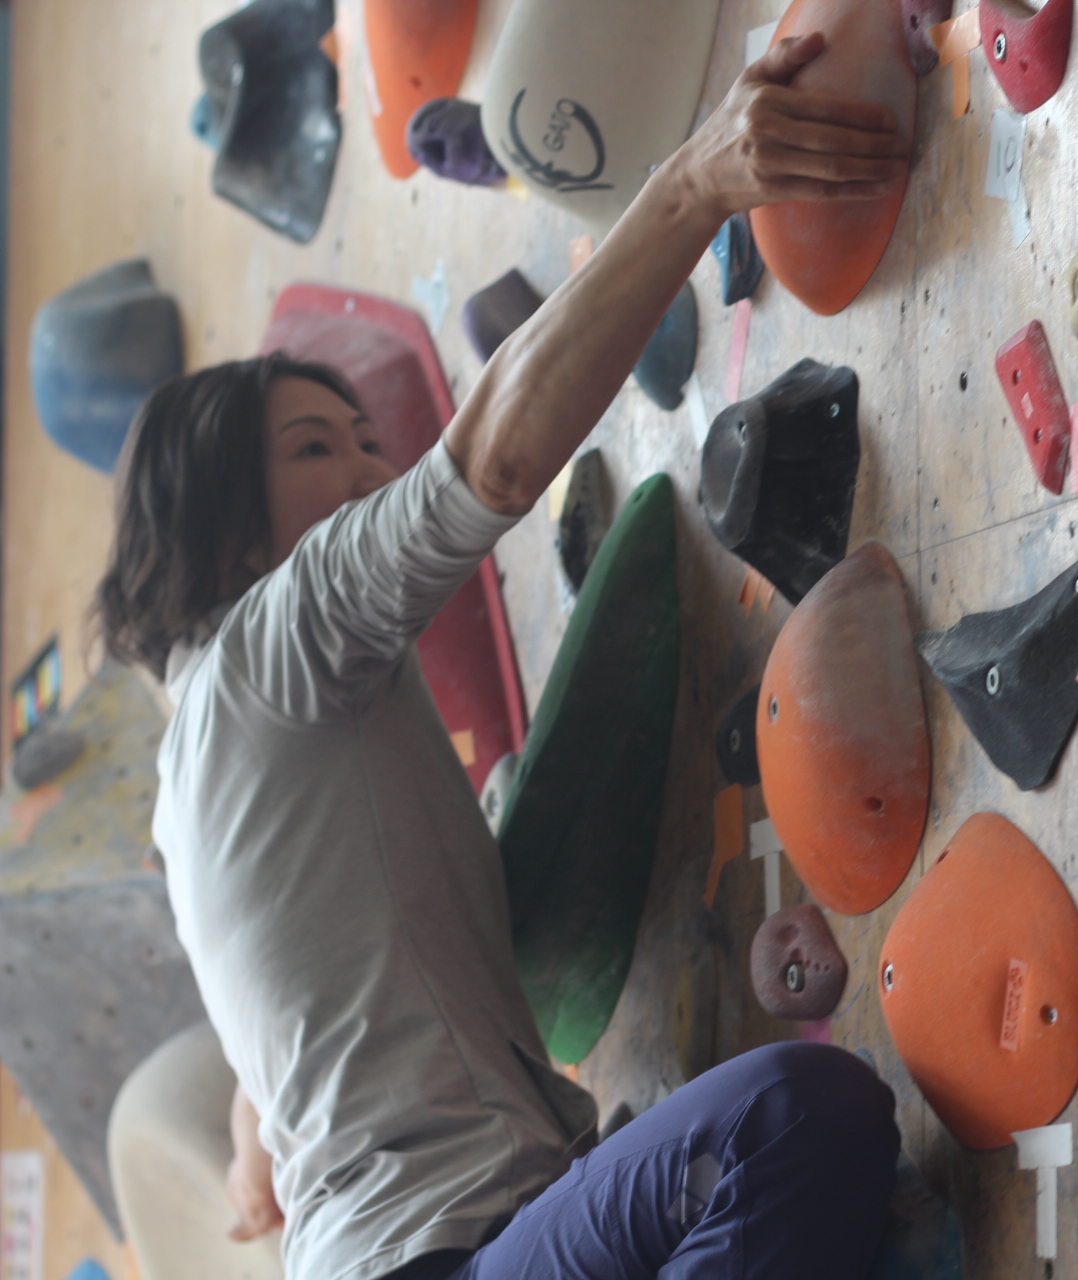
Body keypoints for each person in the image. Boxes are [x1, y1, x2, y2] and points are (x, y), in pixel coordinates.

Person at [93, 36, 910, 1280]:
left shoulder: (200, 779)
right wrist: (694, 185)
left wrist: (261, 1127)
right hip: (435, 1257)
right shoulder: (271, 643)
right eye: (317, 449)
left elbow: (298, 1008)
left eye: (366, 440)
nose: (367, 470)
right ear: (223, 536)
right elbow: (492, 459)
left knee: (790, 1131)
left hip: (461, 1236)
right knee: (791, 1120)